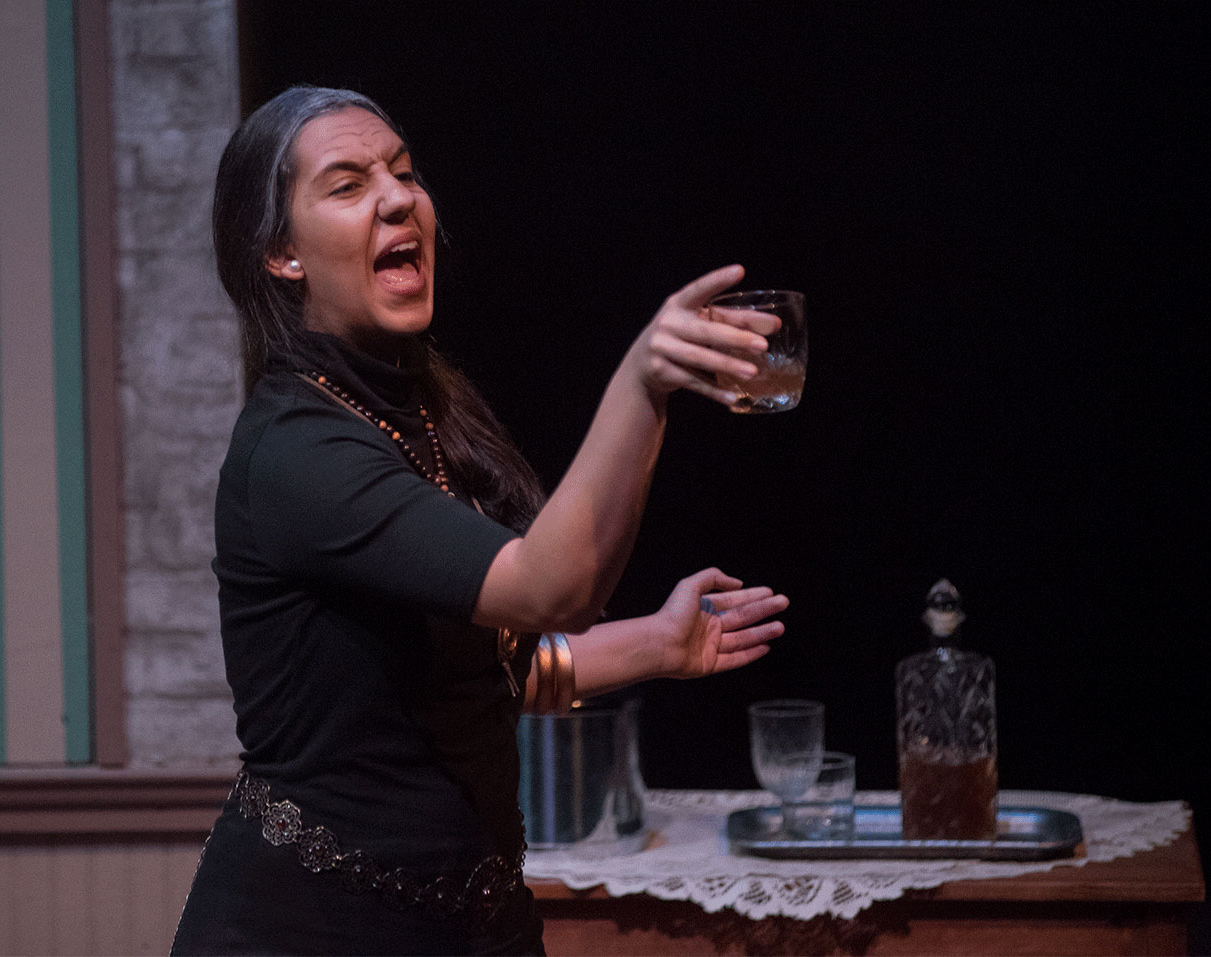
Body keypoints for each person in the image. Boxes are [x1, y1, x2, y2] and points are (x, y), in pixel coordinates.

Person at [171, 85, 789, 956]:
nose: (396, 196)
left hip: (469, 922)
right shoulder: (297, 450)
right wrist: (643, 382)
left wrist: (656, 643)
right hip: (314, 931)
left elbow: (473, 669)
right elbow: (551, 585)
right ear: (281, 251)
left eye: (405, 172)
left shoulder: (422, 410)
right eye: (348, 185)